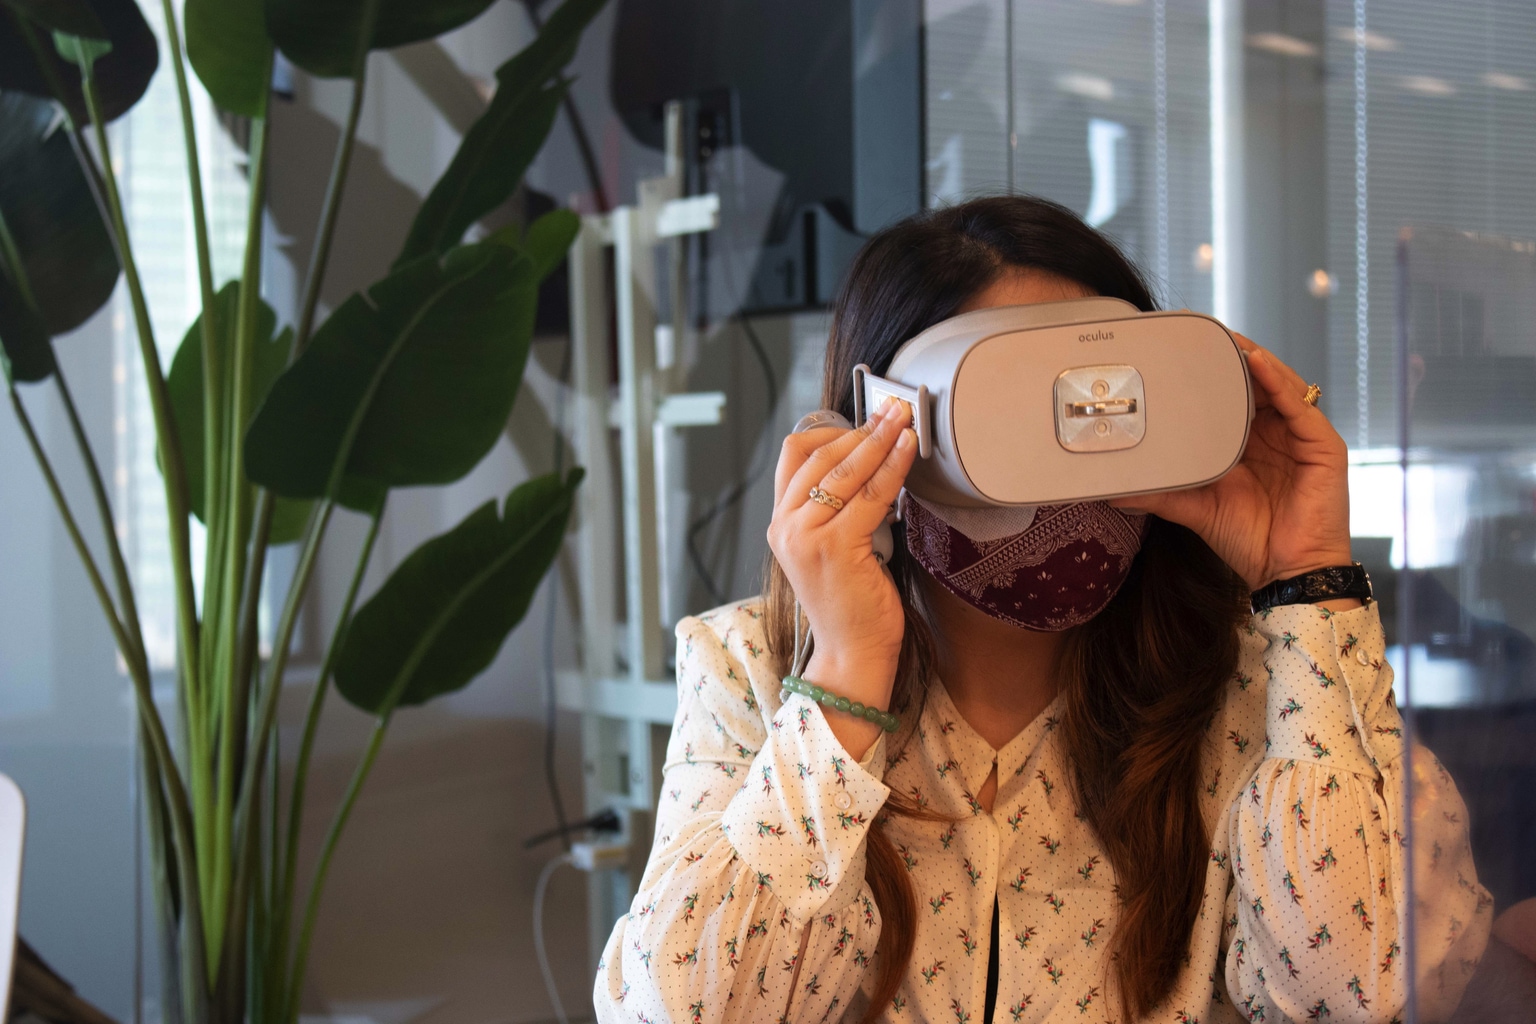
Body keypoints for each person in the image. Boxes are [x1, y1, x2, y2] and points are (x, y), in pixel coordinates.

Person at [593, 196, 1492, 1023]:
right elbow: (675, 1011)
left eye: (1108, 407)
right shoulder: (749, 666)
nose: (1072, 469)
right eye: (1014, 416)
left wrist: (1306, 584)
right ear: (885, 426)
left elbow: (1365, 993)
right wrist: (843, 682)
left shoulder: (1265, 690)